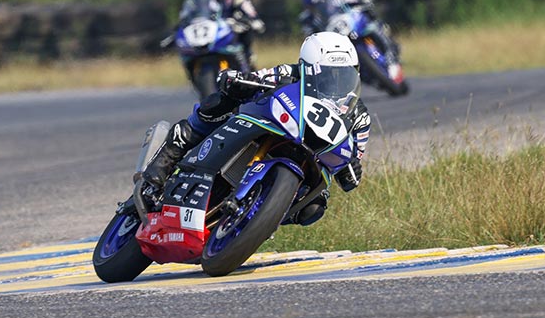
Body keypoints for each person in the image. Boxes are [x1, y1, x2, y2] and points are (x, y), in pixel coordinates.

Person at [140, 31, 371, 226]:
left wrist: (350, 165)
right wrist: (239, 81)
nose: (336, 81)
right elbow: (256, 78)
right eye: (328, 74)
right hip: (276, 129)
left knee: (314, 209)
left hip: (310, 161)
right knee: (216, 104)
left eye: (345, 74)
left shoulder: (360, 117)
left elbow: (353, 166)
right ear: (307, 69)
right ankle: (167, 158)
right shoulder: (289, 73)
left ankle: (259, 220)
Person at [175, 0, 266, 70]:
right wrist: (181, 26)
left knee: (244, 30)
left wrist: (252, 20)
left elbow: (249, 11)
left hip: (231, 30)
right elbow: (186, 16)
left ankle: (246, 59)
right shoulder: (196, 0)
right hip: (210, 33)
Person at [299, 0, 399, 57]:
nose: (320, 9)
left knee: (372, 22)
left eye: (322, 4)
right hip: (334, 41)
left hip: (352, 23)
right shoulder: (307, 19)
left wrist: (362, 1)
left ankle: (389, 47)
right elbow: (310, 39)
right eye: (314, 7)